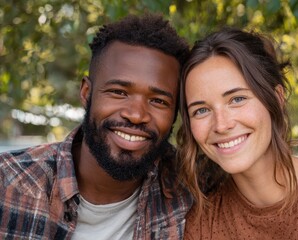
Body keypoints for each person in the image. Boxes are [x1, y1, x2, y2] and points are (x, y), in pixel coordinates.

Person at [0, 13, 193, 239]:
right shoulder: (8, 186)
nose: (136, 115)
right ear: (86, 92)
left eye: (158, 101)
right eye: (119, 92)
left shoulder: (193, 190)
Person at [176, 27, 298, 239]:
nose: (221, 125)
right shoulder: (201, 228)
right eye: (201, 110)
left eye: (237, 99)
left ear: (277, 99)